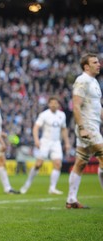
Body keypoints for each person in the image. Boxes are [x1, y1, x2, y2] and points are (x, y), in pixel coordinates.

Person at [66, 53, 103, 209]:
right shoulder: (82, 80)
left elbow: (98, 107)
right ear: (86, 66)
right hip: (87, 126)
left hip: (93, 125)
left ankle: (71, 200)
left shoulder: (94, 82)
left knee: (80, 163)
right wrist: (81, 127)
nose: (99, 64)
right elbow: (76, 105)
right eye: (95, 62)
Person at [20, 97, 71, 195]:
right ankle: (27, 184)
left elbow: (64, 129)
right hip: (45, 142)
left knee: (58, 164)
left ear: (58, 105)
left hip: (56, 143)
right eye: (51, 103)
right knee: (38, 164)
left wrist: (67, 142)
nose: (53, 105)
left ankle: (52, 188)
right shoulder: (44, 115)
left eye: (55, 103)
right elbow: (36, 127)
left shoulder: (62, 115)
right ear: (48, 104)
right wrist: (36, 140)